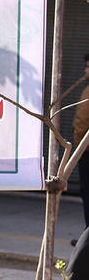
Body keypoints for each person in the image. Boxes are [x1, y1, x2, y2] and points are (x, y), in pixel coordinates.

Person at [72, 53, 89, 246]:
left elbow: (82, 123)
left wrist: (79, 150)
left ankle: (86, 240)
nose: (85, 70)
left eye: (88, 67)